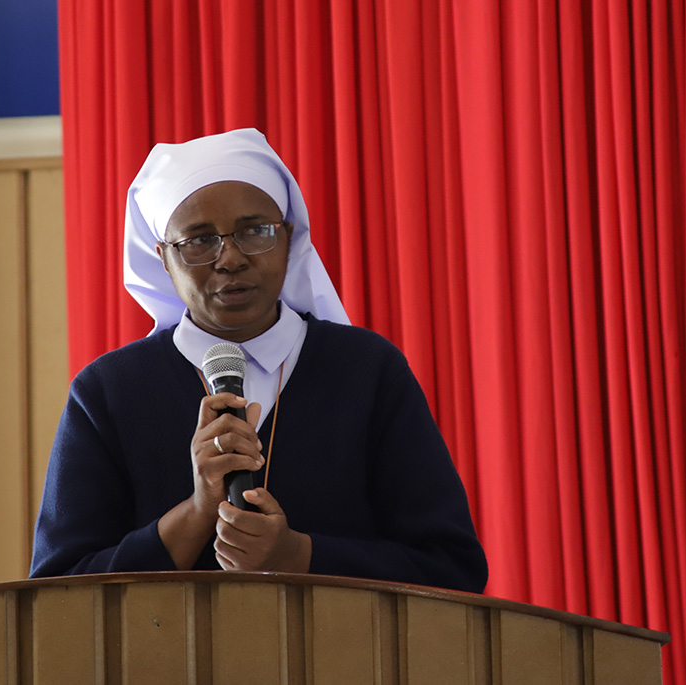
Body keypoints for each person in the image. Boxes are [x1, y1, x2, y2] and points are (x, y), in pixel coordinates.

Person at [30, 128, 487, 592]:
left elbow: (452, 567)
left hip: (344, 661)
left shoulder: (367, 371)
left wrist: (298, 555)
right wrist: (195, 514)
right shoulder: (109, 391)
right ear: (163, 260)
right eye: (198, 241)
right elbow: (57, 588)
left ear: (289, 238)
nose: (230, 259)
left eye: (255, 231)